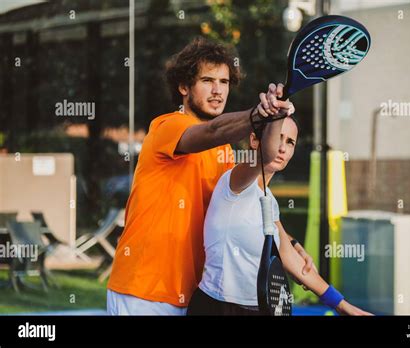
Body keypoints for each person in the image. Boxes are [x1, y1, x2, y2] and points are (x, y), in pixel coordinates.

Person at [106, 37, 314, 315]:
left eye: (224, 82)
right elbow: (211, 131)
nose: (218, 91)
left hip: (193, 294)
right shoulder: (167, 126)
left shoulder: (225, 151)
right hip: (143, 291)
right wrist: (259, 114)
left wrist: (290, 243)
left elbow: (239, 208)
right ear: (183, 87)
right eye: (207, 80)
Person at [186, 106, 373, 316]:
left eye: (290, 142)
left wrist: (342, 305)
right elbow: (266, 155)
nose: (282, 148)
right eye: (277, 137)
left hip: (258, 309)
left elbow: (292, 259)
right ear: (255, 140)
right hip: (216, 308)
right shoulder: (233, 184)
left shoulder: (269, 201)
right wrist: (278, 109)